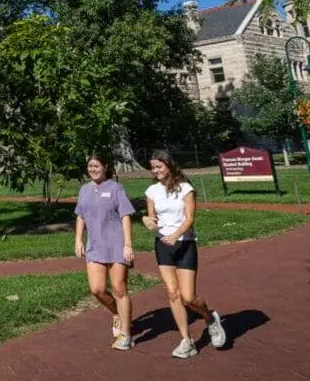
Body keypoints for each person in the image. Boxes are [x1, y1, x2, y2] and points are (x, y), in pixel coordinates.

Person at [143, 150, 227, 358]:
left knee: (189, 297)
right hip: (163, 246)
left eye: (159, 166)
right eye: (153, 167)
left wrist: (176, 235)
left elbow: (190, 218)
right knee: (173, 293)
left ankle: (209, 318)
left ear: (169, 165)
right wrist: (147, 221)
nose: (156, 171)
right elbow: (152, 218)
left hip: (185, 245)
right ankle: (186, 340)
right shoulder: (151, 191)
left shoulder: (185, 188)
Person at [74, 152, 137, 350]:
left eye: (97, 166)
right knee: (97, 289)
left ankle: (126, 335)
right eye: (90, 166)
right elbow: (80, 215)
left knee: (120, 289)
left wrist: (128, 244)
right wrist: (78, 240)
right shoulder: (84, 189)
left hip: (117, 245)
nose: (93, 169)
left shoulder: (116, 188)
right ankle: (116, 314)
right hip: (95, 247)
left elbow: (126, 215)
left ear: (105, 167)